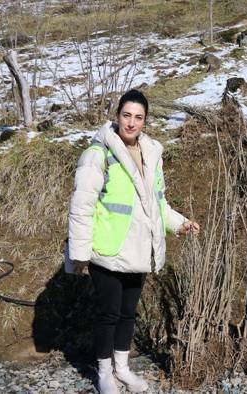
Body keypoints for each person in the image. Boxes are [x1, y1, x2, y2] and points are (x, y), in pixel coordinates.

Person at [68, 89, 200, 393]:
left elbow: (157, 202)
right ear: (117, 116)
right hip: (107, 249)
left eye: (138, 117)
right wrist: (79, 253)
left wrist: (179, 224)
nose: (131, 122)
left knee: (128, 313)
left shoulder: (152, 153)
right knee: (109, 313)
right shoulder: (97, 154)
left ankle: (123, 369)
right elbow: (81, 206)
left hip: (138, 248)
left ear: (145, 121)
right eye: (126, 115)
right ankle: (104, 373)